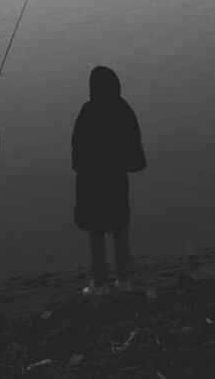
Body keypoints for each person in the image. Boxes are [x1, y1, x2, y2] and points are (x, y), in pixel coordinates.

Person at [71, 66, 147, 295]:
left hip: (92, 181)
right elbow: (134, 143)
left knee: (95, 230)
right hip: (116, 179)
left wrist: (80, 168)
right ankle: (124, 280)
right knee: (120, 227)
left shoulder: (88, 111)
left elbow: (77, 145)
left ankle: (100, 283)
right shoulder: (123, 109)